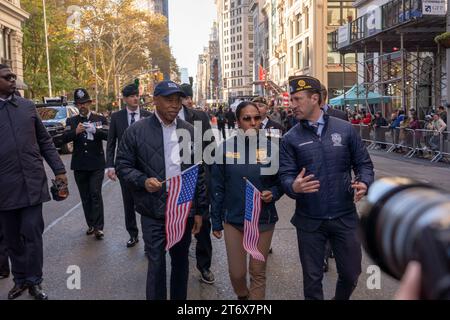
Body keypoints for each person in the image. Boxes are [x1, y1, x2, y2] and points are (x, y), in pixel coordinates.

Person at [279, 75, 374, 300]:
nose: (292, 105)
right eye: (291, 99)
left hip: (344, 217)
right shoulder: (290, 138)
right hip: (310, 221)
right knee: (312, 280)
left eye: (297, 99)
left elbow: (364, 164)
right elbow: (285, 175)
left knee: (351, 274)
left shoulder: (345, 129)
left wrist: (364, 182)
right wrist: (293, 186)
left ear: (315, 98)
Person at [115, 81, 208, 300]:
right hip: (153, 209)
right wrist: (143, 181)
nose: (175, 105)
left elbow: (199, 172)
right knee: (156, 262)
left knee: (180, 262)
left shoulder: (189, 131)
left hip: (182, 210)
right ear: (155, 100)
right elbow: (123, 166)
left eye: (178, 100)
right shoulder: (136, 131)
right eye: (168, 100)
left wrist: (199, 210)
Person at [0, 64, 68, 300]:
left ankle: (35, 281)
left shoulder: (28, 108)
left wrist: (59, 170)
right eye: (7, 77)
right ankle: (20, 280)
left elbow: (45, 141)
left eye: (13, 76)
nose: (13, 79)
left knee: (31, 232)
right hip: (4, 189)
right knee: (11, 238)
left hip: (31, 184)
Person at [211, 101, 284, 300]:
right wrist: (215, 220)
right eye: (247, 119)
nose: (253, 123)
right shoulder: (224, 149)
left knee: (258, 271)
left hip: (263, 220)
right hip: (233, 220)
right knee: (237, 273)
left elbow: (281, 182)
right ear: (237, 122)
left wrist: (273, 193)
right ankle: (243, 295)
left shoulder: (273, 148)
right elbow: (216, 187)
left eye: (256, 118)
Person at [106, 84, 152, 248]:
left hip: (146, 168)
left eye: (136, 95)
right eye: (131, 96)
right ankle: (133, 234)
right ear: (125, 99)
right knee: (128, 203)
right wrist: (110, 166)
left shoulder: (148, 116)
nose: (135, 98)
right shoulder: (117, 117)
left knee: (147, 202)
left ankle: (149, 239)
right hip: (125, 168)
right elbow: (111, 143)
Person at [179, 83, 216, 284]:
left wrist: (211, 178)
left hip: (200, 180)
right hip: (176, 182)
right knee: (180, 225)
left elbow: (210, 147)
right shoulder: (162, 121)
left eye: (183, 98)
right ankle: (179, 261)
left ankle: (204, 266)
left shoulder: (199, 117)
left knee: (204, 225)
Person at [63, 88, 109, 239]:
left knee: (95, 193)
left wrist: (96, 130)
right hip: (80, 165)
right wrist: (75, 132)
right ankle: (91, 224)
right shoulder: (71, 121)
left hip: (96, 164)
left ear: (90, 102)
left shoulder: (99, 119)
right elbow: (63, 139)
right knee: (85, 196)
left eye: (84, 103)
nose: (82, 105)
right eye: (79, 103)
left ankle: (99, 227)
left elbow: (109, 136)